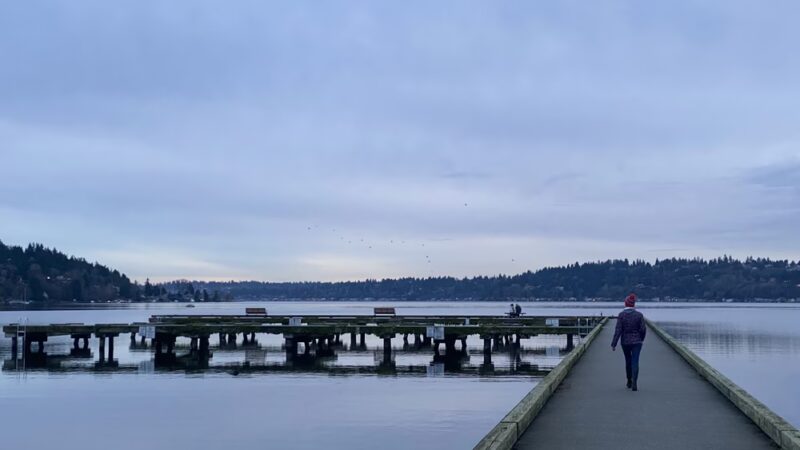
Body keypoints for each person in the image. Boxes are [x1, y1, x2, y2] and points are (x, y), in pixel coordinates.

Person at [611, 293, 646, 391]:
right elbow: (643, 329)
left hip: (625, 341)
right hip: (637, 342)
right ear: (633, 304)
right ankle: (635, 382)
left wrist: (614, 343)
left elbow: (618, 330)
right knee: (635, 361)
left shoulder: (621, 315)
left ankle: (629, 380)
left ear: (626, 303)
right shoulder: (639, 315)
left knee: (628, 360)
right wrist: (641, 338)